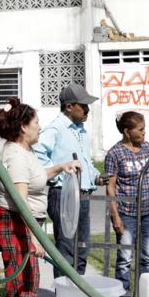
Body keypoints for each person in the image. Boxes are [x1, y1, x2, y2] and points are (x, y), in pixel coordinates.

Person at [0, 97, 81, 297]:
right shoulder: (17, 157)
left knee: (30, 280)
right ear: (23, 127)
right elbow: (21, 203)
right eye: (36, 122)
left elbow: (37, 178)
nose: (40, 127)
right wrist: (33, 238)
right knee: (23, 281)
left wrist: (60, 167)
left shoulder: (25, 151)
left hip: (25, 223)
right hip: (14, 222)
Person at [34, 83, 103, 279]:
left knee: (82, 248)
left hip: (84, 195)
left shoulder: (80, 130)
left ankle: (78, 293)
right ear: (69, 107)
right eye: (83, 105)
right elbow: (38, 153)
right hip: (64, 195)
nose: (87, 109)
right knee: (66, 248)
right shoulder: (55, 128)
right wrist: (56, 175)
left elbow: (84, 160)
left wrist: (95, 176)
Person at [105, 111, 149, 297]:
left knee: (145, 258)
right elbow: (110, 187)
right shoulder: (115, 153)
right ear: (127, 131)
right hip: (126, 213)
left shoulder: (147, 148)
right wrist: (115, 217)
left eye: (144, 129)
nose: (144, 133)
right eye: (140, 129)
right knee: (124, 259)